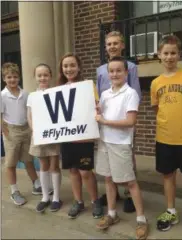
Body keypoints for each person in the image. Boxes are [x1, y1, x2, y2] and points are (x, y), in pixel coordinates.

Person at [95, 56, 148, 239]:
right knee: (109, 179)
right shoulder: (105, 94)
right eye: (111, 71)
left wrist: (104, 120)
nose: (115, 74)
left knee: (130, 182)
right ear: (107, 73)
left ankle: (141, 220)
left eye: (119, 70)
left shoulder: (130, 93)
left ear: (126, 72)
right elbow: (99, 114)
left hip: (121, 143)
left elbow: (130, 121)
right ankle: (111, 214)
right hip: (105, 142)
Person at [96, 31, 141, 212]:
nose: (112, 46)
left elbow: (135, 93)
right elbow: (100, 95)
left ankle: (129, 195)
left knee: (127, 161)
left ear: (122, 45)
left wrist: (123, 119)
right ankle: (112, 195)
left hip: (122, 122)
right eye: (109, 44)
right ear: (106, 47)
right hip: (106, 125)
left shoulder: (131, 67)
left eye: (116, 43)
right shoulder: (100, 70)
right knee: (108, 172)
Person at [57, 53, 103, 219]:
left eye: (72, 65)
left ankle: (95, 200)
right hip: (67, 137)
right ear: (62, 69)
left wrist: (98, 110)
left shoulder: (87, 86)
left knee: (85, 172)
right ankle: (78, 201)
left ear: (79, 67)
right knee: (73, 171)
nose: (69, 69)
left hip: (84, 136)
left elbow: (96, 105)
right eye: (65, 66)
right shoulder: (58, 90)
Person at [150, 35, 182, 231]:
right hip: (165, 138)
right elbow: (157, 109)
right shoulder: (156, 83)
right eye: (166, 53)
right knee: (168, 175)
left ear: (179, 55)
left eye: (173, 53)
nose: (169, 57)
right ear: (159, 55)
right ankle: (171, 211)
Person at [1, 62, 42, 206]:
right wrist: (4, 131)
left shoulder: (25, 94)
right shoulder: (2, 96)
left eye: (15, 77)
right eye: (9, 77)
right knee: (11, 162)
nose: (12, 79)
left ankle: (37, 184)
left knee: (28, 159)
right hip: (11, 131)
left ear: (19, 77)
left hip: (25, 129)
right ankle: (14, 191)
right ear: (4, 79)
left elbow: (29, 111)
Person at [27, 63, 62, 213]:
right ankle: (45, 197)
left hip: (53, 135)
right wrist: (35, 130)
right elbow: (29, 115)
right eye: (39, 75)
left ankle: (56, 197)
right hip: (39, 135)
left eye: (45, 75)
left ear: (50, 76)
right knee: (43, 166)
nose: (42, 78)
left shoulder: (56, 93)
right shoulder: (32, 96)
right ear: (35, 77)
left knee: (54, 166)